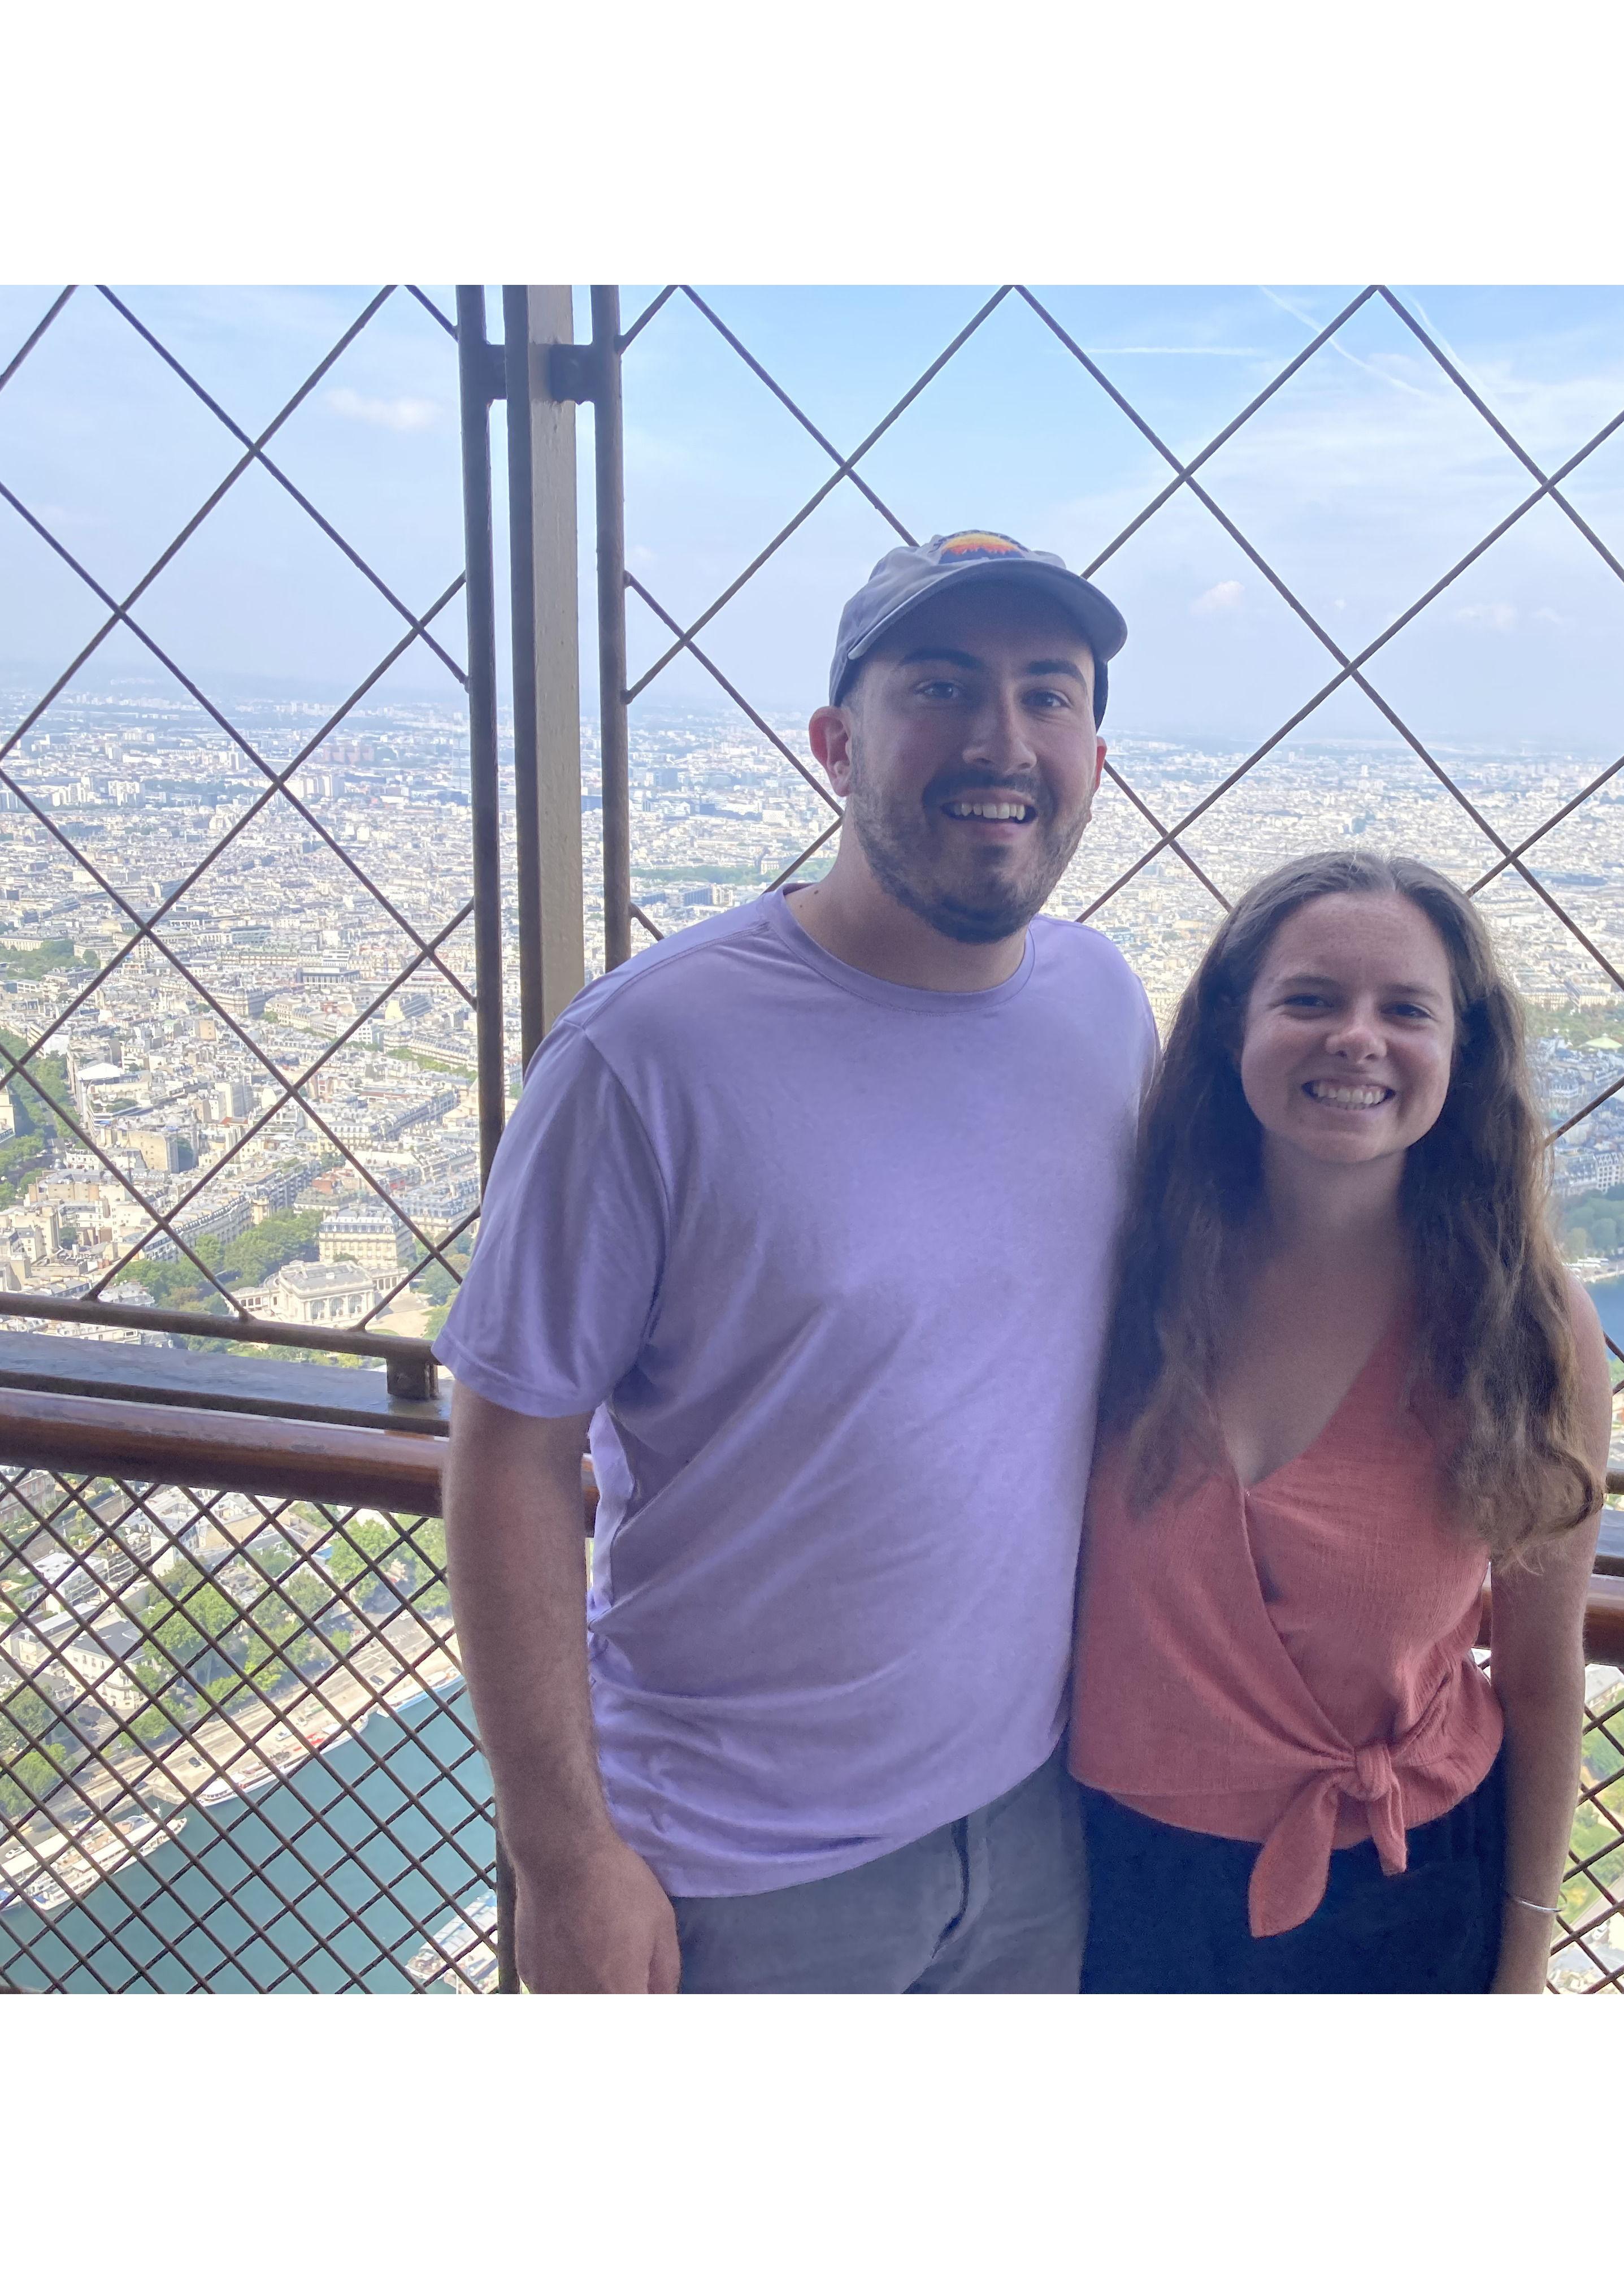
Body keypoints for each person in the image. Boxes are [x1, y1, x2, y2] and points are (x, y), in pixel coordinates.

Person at [438, 531, 1154, 1993]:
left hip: (1034, 1816)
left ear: (1097, 751)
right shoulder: (649, 1053)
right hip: (730, 1868)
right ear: (836, 742)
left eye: (1049, 693)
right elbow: (509, 1456)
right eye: (941, 688)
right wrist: (565, 1859)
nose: (1002, 740)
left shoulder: (1106, 1007)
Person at [1070, 849, 1610, 1994]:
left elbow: (1540, 1670)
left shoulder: (1523, 1326)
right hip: (1103, 1879)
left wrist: (1523, 1952)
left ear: (1462, 1054)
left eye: (1404, 1009)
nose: (1355, 1037)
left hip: (1410, 1898)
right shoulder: (1119, 1273)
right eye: (1310, 999)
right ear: (1231, 1028)